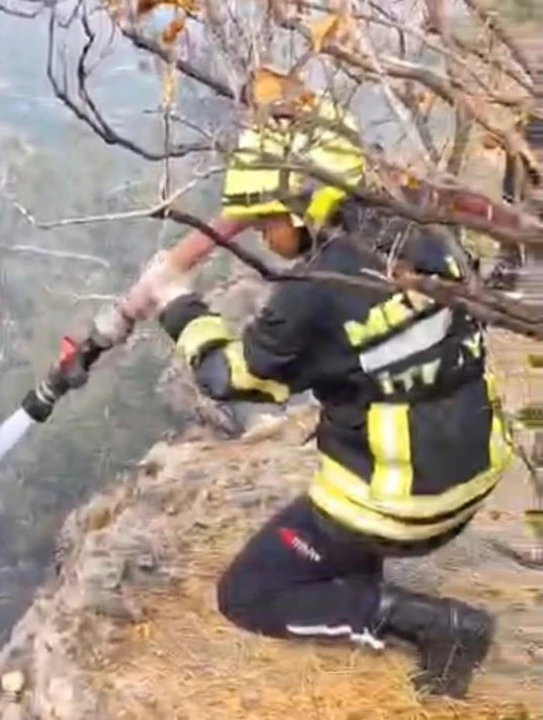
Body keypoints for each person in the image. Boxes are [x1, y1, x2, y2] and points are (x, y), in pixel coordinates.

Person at [138, 99, 513, 700]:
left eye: (267, 221)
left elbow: (230, 378)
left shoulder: (316, 290)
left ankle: (437, 625)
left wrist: (177, 304)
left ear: (303, 205)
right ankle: (356, 566)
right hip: (475, 463)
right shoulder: (424, 225)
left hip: (400, 503)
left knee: (247, 594)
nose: (264, 235)